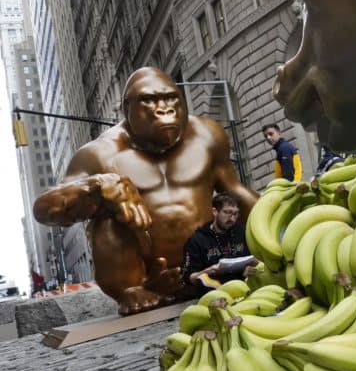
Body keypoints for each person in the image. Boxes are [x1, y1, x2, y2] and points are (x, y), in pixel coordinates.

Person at [33, 67, 259, 315]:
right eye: (150, 100)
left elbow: (236, 192)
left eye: (171, 97)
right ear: (126, 108)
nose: (164, 108)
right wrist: (96, 186)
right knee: (106, 221)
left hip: (208, 261)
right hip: (147, 276)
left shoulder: (208, 134)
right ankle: (131, 290)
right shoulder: (100, 154)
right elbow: (44, 210)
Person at [181, 193, 252, 293]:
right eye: (227, 212)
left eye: (235, 214)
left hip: (245, 285)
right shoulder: (196, 240)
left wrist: (252, 266)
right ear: (215, 211)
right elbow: (188, 277)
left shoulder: (242, 231)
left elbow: (253, 257)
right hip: (214, 290)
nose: (231, 218)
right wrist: (206, 272)